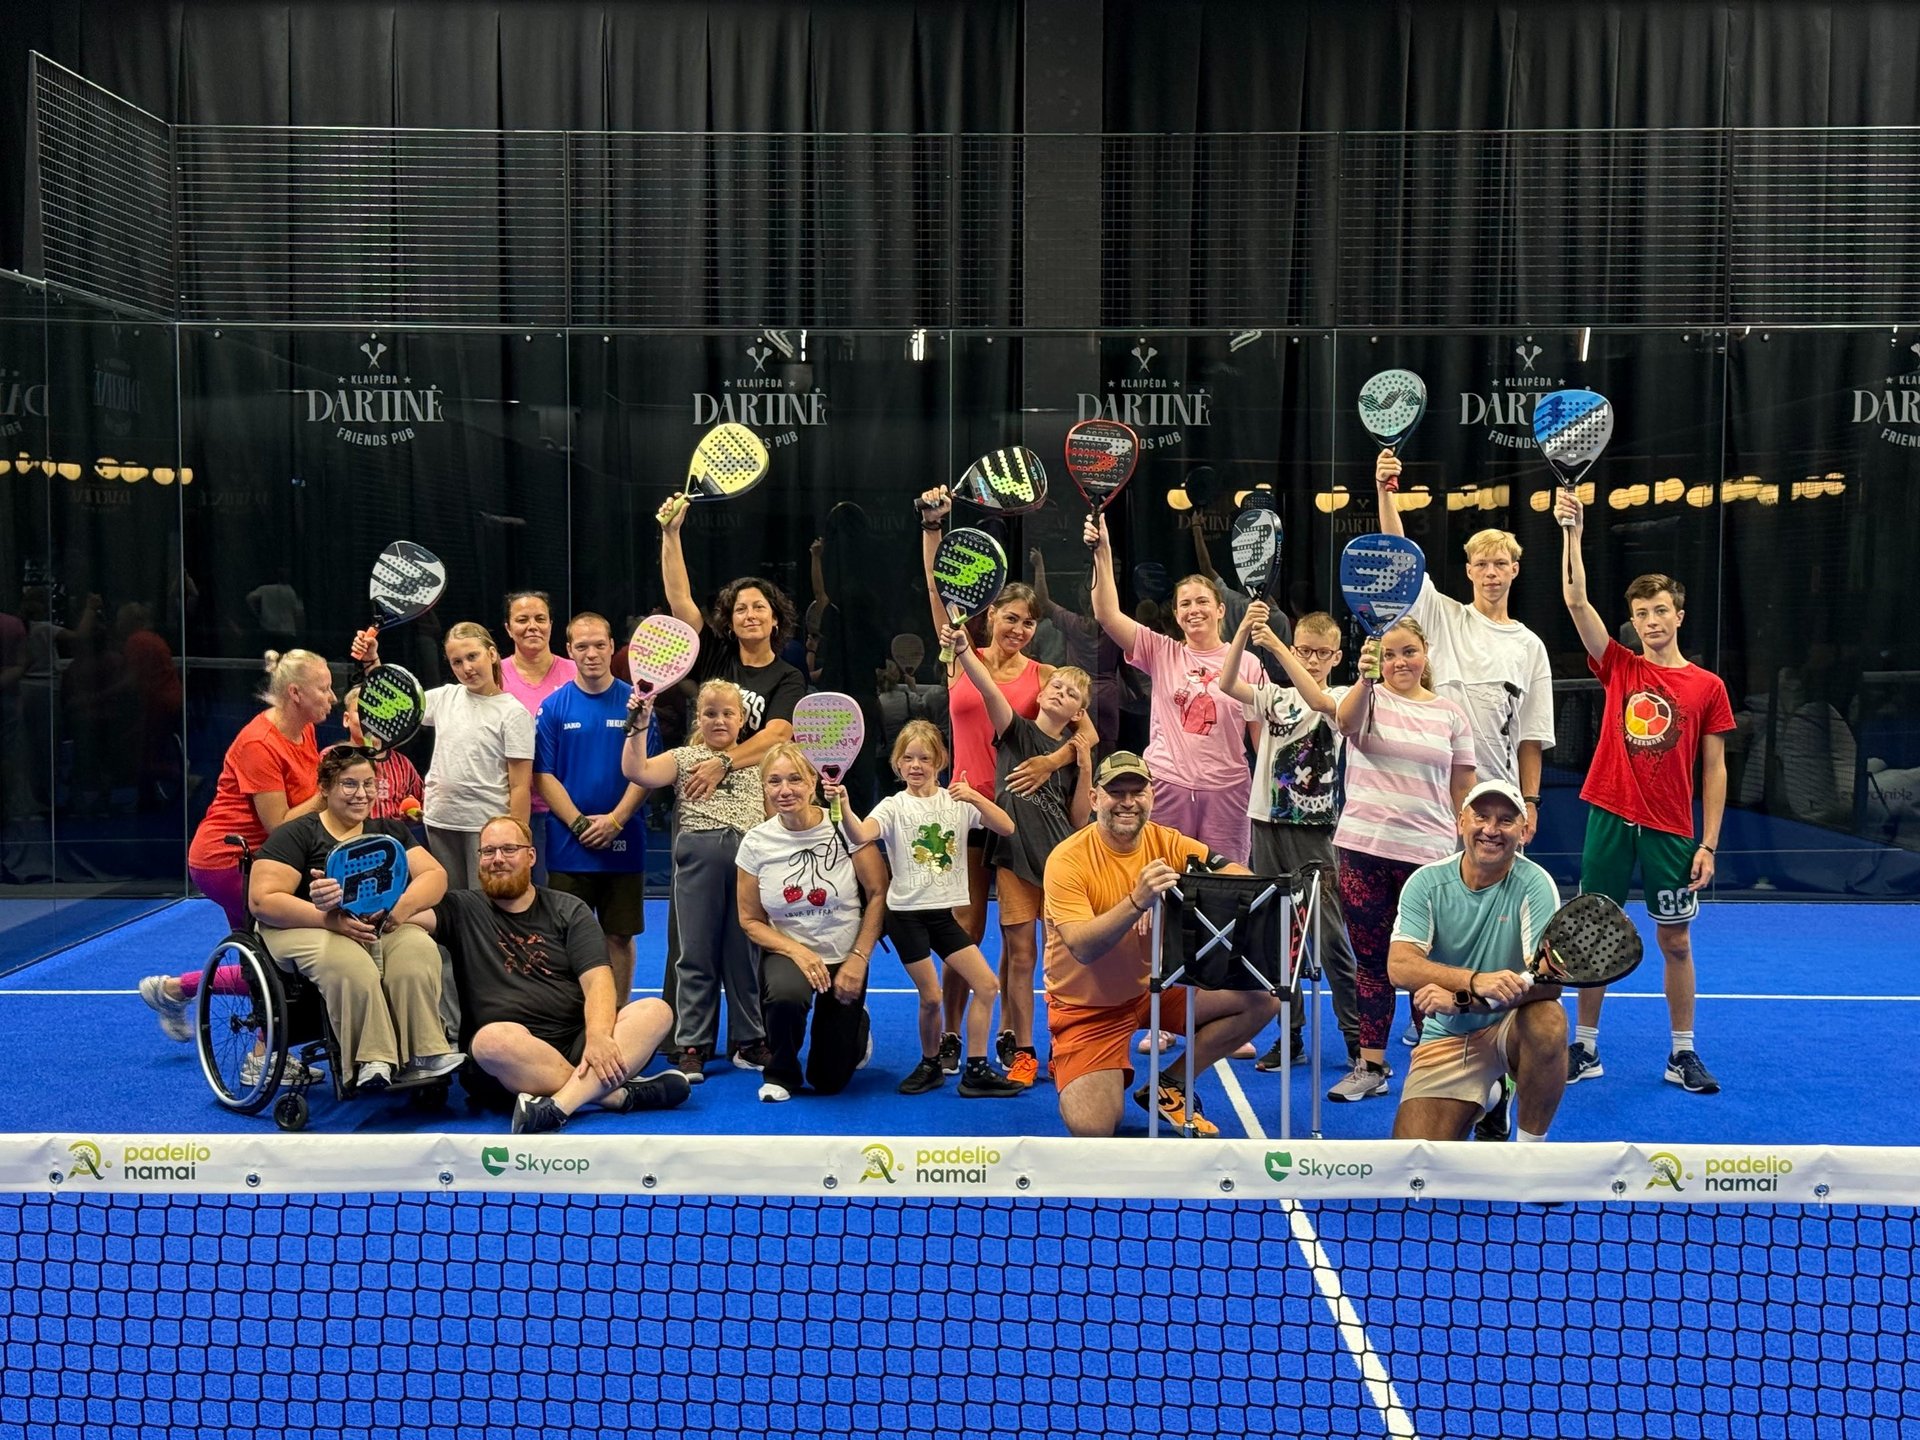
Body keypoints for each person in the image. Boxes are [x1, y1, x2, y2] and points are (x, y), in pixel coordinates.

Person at [1557, 492, 1734, 1095]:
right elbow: (1576, 601)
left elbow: (1714, 770)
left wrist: (1708, 842)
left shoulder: (1708, 686)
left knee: (1675, 940)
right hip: (1609, 815)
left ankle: (1682, 1054)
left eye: (1661, 610)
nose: (1652, 620)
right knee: (1592, 935)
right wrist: (1572, 532)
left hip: (1671, 831)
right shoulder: (1620, 666)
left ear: (1678, 615)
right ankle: (1584, 1048)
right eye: (1642, 612)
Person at [1041, 751, 1278, 1138]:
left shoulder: (1167, 841)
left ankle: (1170, 1084)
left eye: (1138, 791)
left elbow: (1240, 876)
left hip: (1151, 991)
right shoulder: (1067, 860)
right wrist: (1137, 901)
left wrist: (1186, 894)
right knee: (1094, 1129)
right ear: (1095, 797)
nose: (1128, 802)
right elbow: (1082, 947)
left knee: (1261, 999)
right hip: (1087, 1008)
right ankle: (1077, 1059)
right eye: (1116, 792)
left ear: (1152, 794)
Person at [916, 486, 1069, 1069]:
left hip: (1018, 818)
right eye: (1011, 617)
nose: (1021, 629)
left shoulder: (1047, 672)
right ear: (991, 616)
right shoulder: (960, 651)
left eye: (1030, 622)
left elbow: (1083, 736)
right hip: (960, 810)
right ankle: (952, 1034)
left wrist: (1052, 762)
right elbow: (938, 589)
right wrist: (934, 528)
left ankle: (1009, 1032)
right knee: (963, 930)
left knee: (1017, 936)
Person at [417, 814, 690, 1135]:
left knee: (655, 1011)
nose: (498, 860)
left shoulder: (568, 909)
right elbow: (404, 916)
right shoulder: (459, 909)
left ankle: (557, 1106)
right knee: (491, 1041)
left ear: (531, 856)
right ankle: (614, 1096)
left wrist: (600, 1036)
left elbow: (599, 980)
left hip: (578, 1043)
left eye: (509, 849)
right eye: (488, 852)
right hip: (508, 1061)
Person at [142, 649, 334, 1048]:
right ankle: (262, 1053)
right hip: (226, 860)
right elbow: (280, 825)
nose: (332, 697)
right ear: (295, 693)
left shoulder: (306, 728)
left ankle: (176, 990)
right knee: (275, 953)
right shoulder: (259, 744)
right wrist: (329, 791)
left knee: (261, 957)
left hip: (261, 859)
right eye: (325, 689)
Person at [247, 744, 463, 1092]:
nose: (361, 794)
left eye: (369, 784)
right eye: (349, 785)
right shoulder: (298, 834)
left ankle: (424, 1053)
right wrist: (328, 919)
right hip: (303, 923)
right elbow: (262, 900)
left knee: (418, 950)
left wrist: (400, 910)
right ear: (325, 788)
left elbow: (435, 876)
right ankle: (370, 1058)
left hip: (376, 922)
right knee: (349, 962)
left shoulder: (388, 830)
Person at [828, 718, 1024, 1099]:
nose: (916, 765)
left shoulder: (956, 802)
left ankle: (977, 1069)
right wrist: (844, 806)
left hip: (942, 915)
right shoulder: (892, 807)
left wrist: (976, 796)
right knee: (932, 997)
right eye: (908, 758)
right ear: (897, 765)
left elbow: (1007, 828)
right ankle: (931, 1063)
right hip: (906, 917)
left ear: (941, 761)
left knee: (986, 986)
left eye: (925, 758)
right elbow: (861, 834)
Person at [1326, 617, 1477, 1104]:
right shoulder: (1364, 697)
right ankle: (1370, 1066)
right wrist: (1365, 678)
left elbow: (1464, 786)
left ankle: (1432, 1068)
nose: (1399, 662)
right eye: (1389, 655)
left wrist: (1471, 839)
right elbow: (1345, 724)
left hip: (1428, 859)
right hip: (1362, 852)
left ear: (1425, 653)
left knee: (1425, 966)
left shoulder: (1451, 714)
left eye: (1408, 651)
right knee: (1371, 965)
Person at [1374, 452, 1554, 842]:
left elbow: (1531, 736)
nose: (1492, 572)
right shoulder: (1443, 616)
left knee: (1498, 900)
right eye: (1483, 564)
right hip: (1432, 797)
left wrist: (1531, 801)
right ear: (1470, 569)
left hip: (1500, 801)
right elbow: (1401, 557)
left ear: (1514, 570)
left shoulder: (1530, 646)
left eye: (1501, 564)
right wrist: (1384, 490)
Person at [1215, 602, 1363, 1071]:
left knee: (1329, 937)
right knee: (1279, 939)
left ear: (1337, 657)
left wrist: (1277, 644)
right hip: (1266, 826)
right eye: (1305, 650)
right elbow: (1225, 683)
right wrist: (1241, 631)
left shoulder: (1343, 697)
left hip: (1315, 832)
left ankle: (1357, 1036)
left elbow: (1320, 701)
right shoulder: (1273, 696)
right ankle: (1291, 1035)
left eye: (1322, 653)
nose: (1313, 659)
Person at [950, 625, 1096, 1086]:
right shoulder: (1014, 733)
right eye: (1056, 686)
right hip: (1015, 861)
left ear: (1079, 711)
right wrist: (962, 652)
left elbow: (1077, 821)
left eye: (1071, 693)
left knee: (1061, 961)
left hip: (1061, 870)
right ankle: (1025, 1051)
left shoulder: (1073, 754)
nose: (1060, 694)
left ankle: (1064, 1045)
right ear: (1042, 692)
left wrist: (1084, 762)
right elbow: (989, 689)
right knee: (1021, 955)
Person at [1387, 780, 1567, 1142]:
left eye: (1505, 820)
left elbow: (1550, 980)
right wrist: (1474, 981)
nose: (1490, 830)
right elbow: (1400, 966)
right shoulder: (1426, 883)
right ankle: (1494, 1093)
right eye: (1481, 817)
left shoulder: (1535, 884)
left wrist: (1463, 1000)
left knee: (1549, 1021)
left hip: (1511, 1028)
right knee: (1415, 1168)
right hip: (1449, 1037)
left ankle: (1530, 1154)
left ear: (1523, 831)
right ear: (1460, 823)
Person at [1084, 513, 1263, 866]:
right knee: (1158, 882)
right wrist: (1102, 551)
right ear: (1177, 615)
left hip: (1227, 791)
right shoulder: (1161, 650)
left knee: (1225, 887)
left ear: (1220, 609)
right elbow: (1106, 613)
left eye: (1202, 601)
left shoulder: (1248, 663)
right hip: (1167, 784)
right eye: (1185, 604)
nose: (1194, 610)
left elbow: (1261, 740)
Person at [623, 679, 768, 1081]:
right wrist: (638, 726)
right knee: (695, 953)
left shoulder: (759, 761)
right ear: (697, 718)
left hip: (749, 863)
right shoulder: (684, 757)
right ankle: (692, 1043)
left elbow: (778, 811)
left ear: (742, 719)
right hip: (697, 861)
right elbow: (637, 770)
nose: (719, 720)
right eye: (709, 713)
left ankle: (750, 1039)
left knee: (746, 954)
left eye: (727, 713)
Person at [734, 743, 888, 1103]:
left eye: (794, 779)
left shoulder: (845, 826)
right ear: (764, 787)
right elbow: (750, 919)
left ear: (813, 783)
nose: (784, 790)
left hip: (846, 955)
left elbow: (878, 891)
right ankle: (781, 1071)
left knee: (828, 1081)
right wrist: (798, 953)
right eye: (774, 781)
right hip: (790, 953)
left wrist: (859, 959)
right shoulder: (756, 842)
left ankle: (856, 1027)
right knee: (786, 996)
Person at [352, 621, 534, 892]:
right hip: (439, 821)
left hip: (485, 827)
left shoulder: (514, 713)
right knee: (447, 905)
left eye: (473, 656)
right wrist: (372, 661)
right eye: (457, 662)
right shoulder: (446, 697)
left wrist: (515, 841)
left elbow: (520, 785)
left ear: (493, 654)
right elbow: (393, 701)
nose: (467, 668)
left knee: (483, 907)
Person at [533, 612, 649, 998]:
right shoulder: (553, 707)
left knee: (619, 935)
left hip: (625, 842)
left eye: (599, 644)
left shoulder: (637, 704)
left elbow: (648, 772)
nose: (592, 653)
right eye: (581, 646)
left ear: (612, 646)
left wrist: (616, 821)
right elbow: (544, 775)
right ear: (569, 650)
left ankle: (615, 1020)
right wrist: (580, 824)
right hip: (569, 847)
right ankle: (576, 1020)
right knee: (568, 939)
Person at [500, 589, 578, 884]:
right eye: (522, 619)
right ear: (508, 628)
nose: (532, 626)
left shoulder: (576, 673)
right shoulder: (494, 675)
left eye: (540, 618)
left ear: (551, 624)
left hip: (569, 810)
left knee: (563, 901)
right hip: (511, 808)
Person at [341, 684, 423, 825]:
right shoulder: (333, 757)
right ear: (347, 719)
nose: (372, 718)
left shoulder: (403, 765)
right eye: (363, 711)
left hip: (394, 840)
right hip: (348, 839)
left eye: (380, 712)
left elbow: (422, 803)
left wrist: (413, 813)